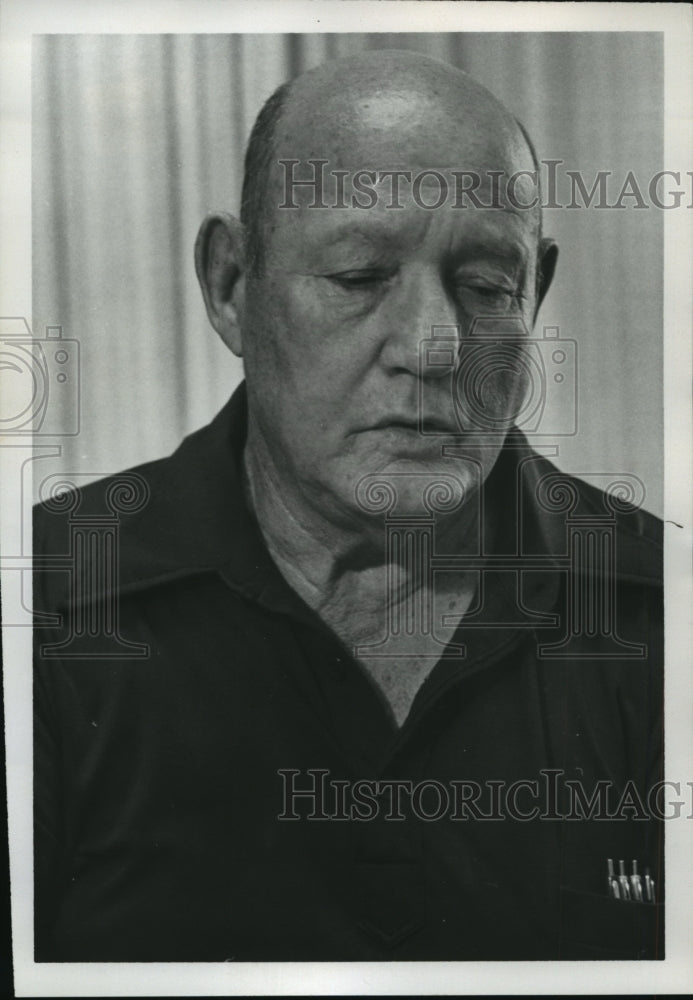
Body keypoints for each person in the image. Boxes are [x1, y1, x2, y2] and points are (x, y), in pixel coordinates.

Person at [33, 50, 663, 961]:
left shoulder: (663, 615)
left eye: (487, 287)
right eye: (361, 277)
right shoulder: (46, 609)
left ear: (536, 293)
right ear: (230, 287)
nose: (435, 346)